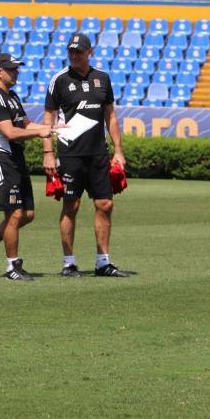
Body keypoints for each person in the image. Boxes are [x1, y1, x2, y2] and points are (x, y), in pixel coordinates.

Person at [42, 33, 127, 277]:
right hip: (70, 153)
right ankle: (69, 263)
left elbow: (110, 115)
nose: (74, 55)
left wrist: (118, 150)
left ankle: (103, 262)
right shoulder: (59, 80)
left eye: (79, 51)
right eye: (71, 51)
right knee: (72, 205)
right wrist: (48, 152)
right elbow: (48, 118)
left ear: (90, 52)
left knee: (105, 203)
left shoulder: (103, 78)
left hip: (98, 153)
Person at [0, 53, 58, 281]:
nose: (16, 72)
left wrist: (54, 127)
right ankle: (12, 267)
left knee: (27, 214)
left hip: (15, 160)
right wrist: (39, 132)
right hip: (0, 159)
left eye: (17, 68)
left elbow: (26, 124)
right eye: (11, 69)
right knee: (15, 213)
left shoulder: (12, 96)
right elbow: (10, 132)